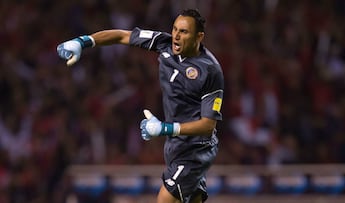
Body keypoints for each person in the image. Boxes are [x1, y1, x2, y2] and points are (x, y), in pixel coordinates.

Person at [57, 9, 224, 203]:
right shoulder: (164, 43)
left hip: (196, 148)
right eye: (175, 29)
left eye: (184, 32)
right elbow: (122, 35)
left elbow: (208, 125)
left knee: (165, 200)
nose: (176, 36)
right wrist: (84, 41)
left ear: (199, 36)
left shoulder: (210, 71)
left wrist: (165, 128)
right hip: (176, 145)